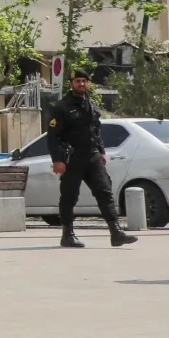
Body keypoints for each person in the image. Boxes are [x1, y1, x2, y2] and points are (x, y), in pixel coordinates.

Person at [46, 68, 137, 249]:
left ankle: (116, 232)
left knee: (104, 191)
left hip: (92, 155)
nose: (81, 84)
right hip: (72, 157)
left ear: (87, 83)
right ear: (71, 84)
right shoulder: (62, 107)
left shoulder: (91, 104)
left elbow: (96, 131)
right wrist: (57, 160)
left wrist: (101, 151)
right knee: (69, 196)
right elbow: (53, 136)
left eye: (84, 81)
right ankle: (67, 235)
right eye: (78, 81)